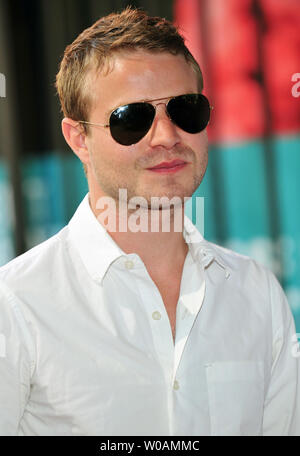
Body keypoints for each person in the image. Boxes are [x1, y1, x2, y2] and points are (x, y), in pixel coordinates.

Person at [0, 7, 299, 437]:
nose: (166, 136)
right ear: (79, 139)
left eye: (186, 110)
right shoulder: (18, 305)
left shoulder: (257, 294)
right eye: (132, 119)